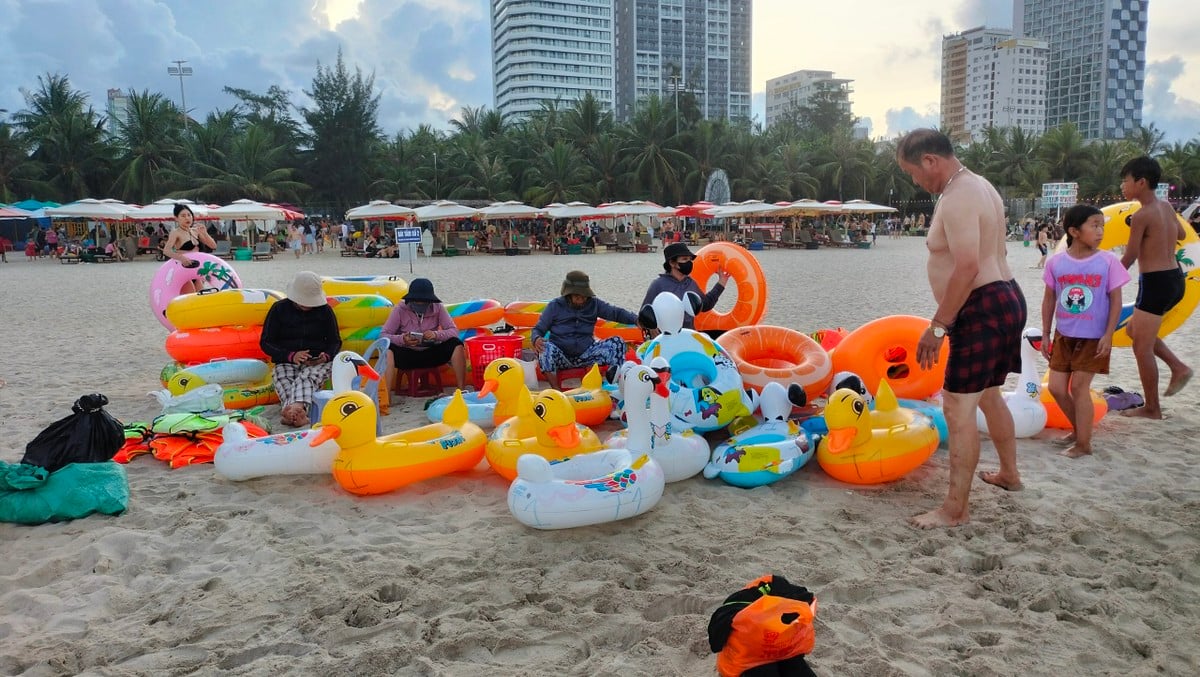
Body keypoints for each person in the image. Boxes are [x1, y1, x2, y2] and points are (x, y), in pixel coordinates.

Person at [895, 129, 1025, 529]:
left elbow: (967, 266)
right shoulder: (981, 186)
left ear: (930, 161)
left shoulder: (957, 197)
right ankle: (1010, 475)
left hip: (981, 305)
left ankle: (955, 509)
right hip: (1005, 297)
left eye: (913, 173)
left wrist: (937, 327)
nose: (916, 181)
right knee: (989, 394)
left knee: (956, 405)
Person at [1041, 205, 1130, 458]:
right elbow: (1049, 300)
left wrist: (1109, 334)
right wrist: (1047, 333)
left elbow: (1116, 300)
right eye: (1094, 225)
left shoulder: (1108, 261)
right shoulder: (1056, 262)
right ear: (1074, 231)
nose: (1101, 231)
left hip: (1094, 337)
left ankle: (1084, 444)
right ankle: (1079, 430)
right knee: (1057, 388)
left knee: (1079, 387)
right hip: (1064, 334)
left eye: (1102, 225)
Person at [1117, 156, 1193, 418]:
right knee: (1132, 330)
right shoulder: (1166, 208)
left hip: (1155, 283)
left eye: (1125, 181)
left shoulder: (1142, 215)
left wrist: (1106, 282)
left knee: (1141, 347)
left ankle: (1152, 408)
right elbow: (1182, 235)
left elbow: (1129, 256)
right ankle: (1178, 366)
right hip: (1175, 278)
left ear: (1141, 182)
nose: (1122, 186)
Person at [259, 271, 341, 427]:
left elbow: (335, 342)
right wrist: (291, 356)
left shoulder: (325, 311)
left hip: (317, 362)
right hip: (286, 360)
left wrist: (326, 356)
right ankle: (299, 411)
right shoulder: (279, 309)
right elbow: (266, 342)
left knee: (307, 376)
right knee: (282, 378)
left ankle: (290, 411)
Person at [533, 271, 639, 390]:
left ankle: (615, 384)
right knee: (545, 347)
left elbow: (615, 313)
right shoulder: (554, 306)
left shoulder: (594, 304)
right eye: (577, 297)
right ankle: (556, 390)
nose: (581, 300)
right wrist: (536, 338)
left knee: (617, 342)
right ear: (569, 294)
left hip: (587, 354)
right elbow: (538, 329)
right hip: (561, 356)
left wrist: (636, 320)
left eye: (584, 297)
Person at [380, 278, 467, 391]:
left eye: (424, 303)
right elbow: (383, 335)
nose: (420, 305)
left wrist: (436, 335)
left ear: (430, 301)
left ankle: (461, 388)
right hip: (407, 354)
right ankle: (387, 396)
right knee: (388, 350)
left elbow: (454, 331)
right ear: (410, 300)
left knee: (456, 344)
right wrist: (402, 339)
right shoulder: (400, 310)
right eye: (416, 302)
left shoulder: (438, 308)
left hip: (430, 352)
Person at [641, 242, 729, 335]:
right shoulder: (658, 285)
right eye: (684, 259)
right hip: (665, 338)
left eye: (690, 259)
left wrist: (722, 282)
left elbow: (705, 305)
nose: (689, 263)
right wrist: (651, 328)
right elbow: (644, 315)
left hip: (688, 334)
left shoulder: (690, 283)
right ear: (672, 263)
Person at [162, 204, 217, 292]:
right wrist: (181, 257)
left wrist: (205, 233)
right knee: (191, 296)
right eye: (183, 216)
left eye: (189, 215)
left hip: (196, 270)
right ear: (176, 218)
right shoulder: (176, 233)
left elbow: (213, 246)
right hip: (183, 270)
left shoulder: (196, 231)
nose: (187, 218)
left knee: (200, 297)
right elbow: (166, 250)